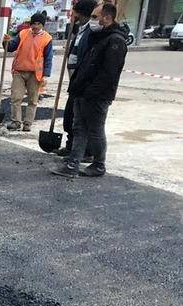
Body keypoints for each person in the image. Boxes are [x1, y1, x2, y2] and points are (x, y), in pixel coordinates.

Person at [52, 3, 128, 178]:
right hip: (82, 90)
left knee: (95, 129)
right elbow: (84, 63)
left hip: (96, 96)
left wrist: (91, 92)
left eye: (95, 17)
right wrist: (77, 87)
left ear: (107, 18)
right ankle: (73, 164)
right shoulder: (97, 36)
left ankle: (99, 164)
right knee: (79, 128)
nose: (92, 20)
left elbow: (109, 74)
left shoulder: (115, 41)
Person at [56, 0, 97, 157]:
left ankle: (87, 152)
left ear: (82, 13)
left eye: (75, 12)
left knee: (82, 119)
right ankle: (70, 145)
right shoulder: (80, 30)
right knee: (70, 116)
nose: (72, 16)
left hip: (83, 82)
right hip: (75, 80)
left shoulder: (91, 32)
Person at [2, 13, 53, 132]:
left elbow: (48, 58)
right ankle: (16, 122)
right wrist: (6, 42)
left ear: (42, 25)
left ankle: (28, 123)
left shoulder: (47, 39)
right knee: (16, 97)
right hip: (19, 71)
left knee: (32, 100)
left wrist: (45, 75)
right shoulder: (23, 34)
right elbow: (11, 47)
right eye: (34, 23)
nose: (35, 26)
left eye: (38, 24)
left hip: (35, 74)